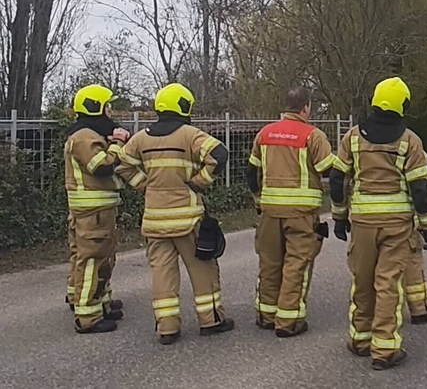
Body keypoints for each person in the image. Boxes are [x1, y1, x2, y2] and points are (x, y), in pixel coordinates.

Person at [330, 77, 427, 370]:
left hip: (363, 223)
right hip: (397, 226)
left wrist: (339, 217)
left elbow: (338, 179)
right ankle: (385, 349)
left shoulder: (352, 137)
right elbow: (419, 190)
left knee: (362, 280)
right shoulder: (409, 141)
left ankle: (360, 339)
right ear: (402, 104)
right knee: (388, 283)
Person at [116, 83, 234, 344]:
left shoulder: (141, 138)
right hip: (187, 219)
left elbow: (122, 164)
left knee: (162, 274)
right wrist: (201, 181)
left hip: (154, 220)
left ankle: (167, 328)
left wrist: (144, 185)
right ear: (184, 106)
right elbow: (220, 154)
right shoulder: (190, 134)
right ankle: (210, 320)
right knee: (203, 269)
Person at [248, 87, 337, 337]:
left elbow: (251, 173)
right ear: (306, 107)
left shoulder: (264, 133)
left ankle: (266, 314)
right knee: (296, 265)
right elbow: (329, 169)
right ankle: (288, 322)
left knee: (269, 263)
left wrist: (259, 200)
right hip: (301, 214)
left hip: (269, 212)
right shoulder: (313, 136)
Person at [64, 84, 131, 333]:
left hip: (95, 211)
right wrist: (117, 143)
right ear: (96, 107)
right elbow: (100, 166)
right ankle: (88, 316)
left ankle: (96, 300)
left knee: (98, 257)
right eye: (107, 105)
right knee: (92, 259)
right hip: (94, 211)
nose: (110, 110)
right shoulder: (84, 137)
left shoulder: (87, 133)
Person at [404, 220, 427, 324]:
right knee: (412, 265)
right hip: (402, 224)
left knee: (369, 268)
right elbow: (420, 204)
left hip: (364, 225)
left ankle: (369, 312)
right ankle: (419, 309)